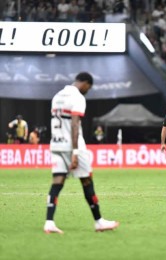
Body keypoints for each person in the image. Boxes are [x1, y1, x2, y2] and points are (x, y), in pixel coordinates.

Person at [44, 72, 119, 234]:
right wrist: (76, 152)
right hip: (72, 145)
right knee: (87, 181)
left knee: (57, 182)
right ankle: (99, 221)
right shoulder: (77, 97)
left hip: (56, 144)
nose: (87, 91)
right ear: (85, 83)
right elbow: (75, 125)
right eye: (88, 88)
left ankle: (49, 222)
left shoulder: (57, 96)